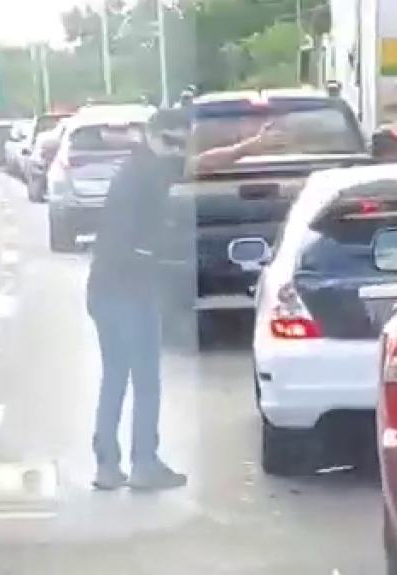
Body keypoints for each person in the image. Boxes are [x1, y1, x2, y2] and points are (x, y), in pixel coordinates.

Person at [86, 107, 283, 490]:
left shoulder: (145, 164)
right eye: (171, 142)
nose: (177, 150)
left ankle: (108, 466)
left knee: (116, 378)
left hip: (106, 289)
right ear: (151, 135)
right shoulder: (144, 173)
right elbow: (127, 239)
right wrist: (149, 260)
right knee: (144, 380)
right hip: (129, 290)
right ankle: (143, 464)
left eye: (181, 142)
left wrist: (249, 146)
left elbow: (204, 162)